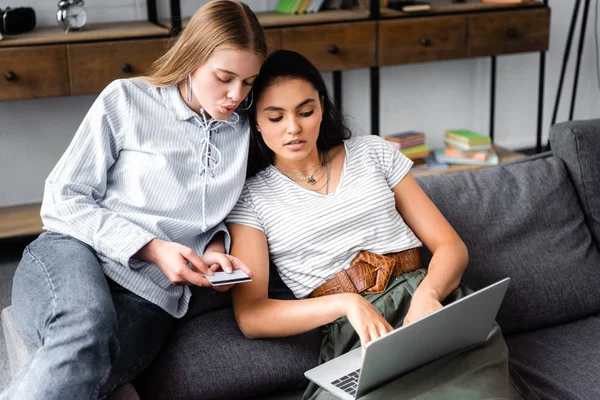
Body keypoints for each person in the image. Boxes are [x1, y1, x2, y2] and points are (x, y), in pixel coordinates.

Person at [226, 50, 538, 400]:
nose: (293, 128)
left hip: (429, 305)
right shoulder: (250, 198)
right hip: (356, 335)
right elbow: (252, 316)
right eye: (275, 117)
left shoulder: (373, 152)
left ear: (322, 106)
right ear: (255, 121)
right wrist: (347, 304)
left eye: (305, 111)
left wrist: (429, 294)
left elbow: (450, 247)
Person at [1, 1, 265, 399]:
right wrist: (152, 248)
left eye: (247, 83)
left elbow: (221, 214)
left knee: (88, 371)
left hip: (152, 295)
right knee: (87, 326)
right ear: (192, 59)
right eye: (224, 77)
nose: (234, 95)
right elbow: (62, 198)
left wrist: (213, 248)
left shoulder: (245, 131)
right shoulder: (127, 100)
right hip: (75, 251)